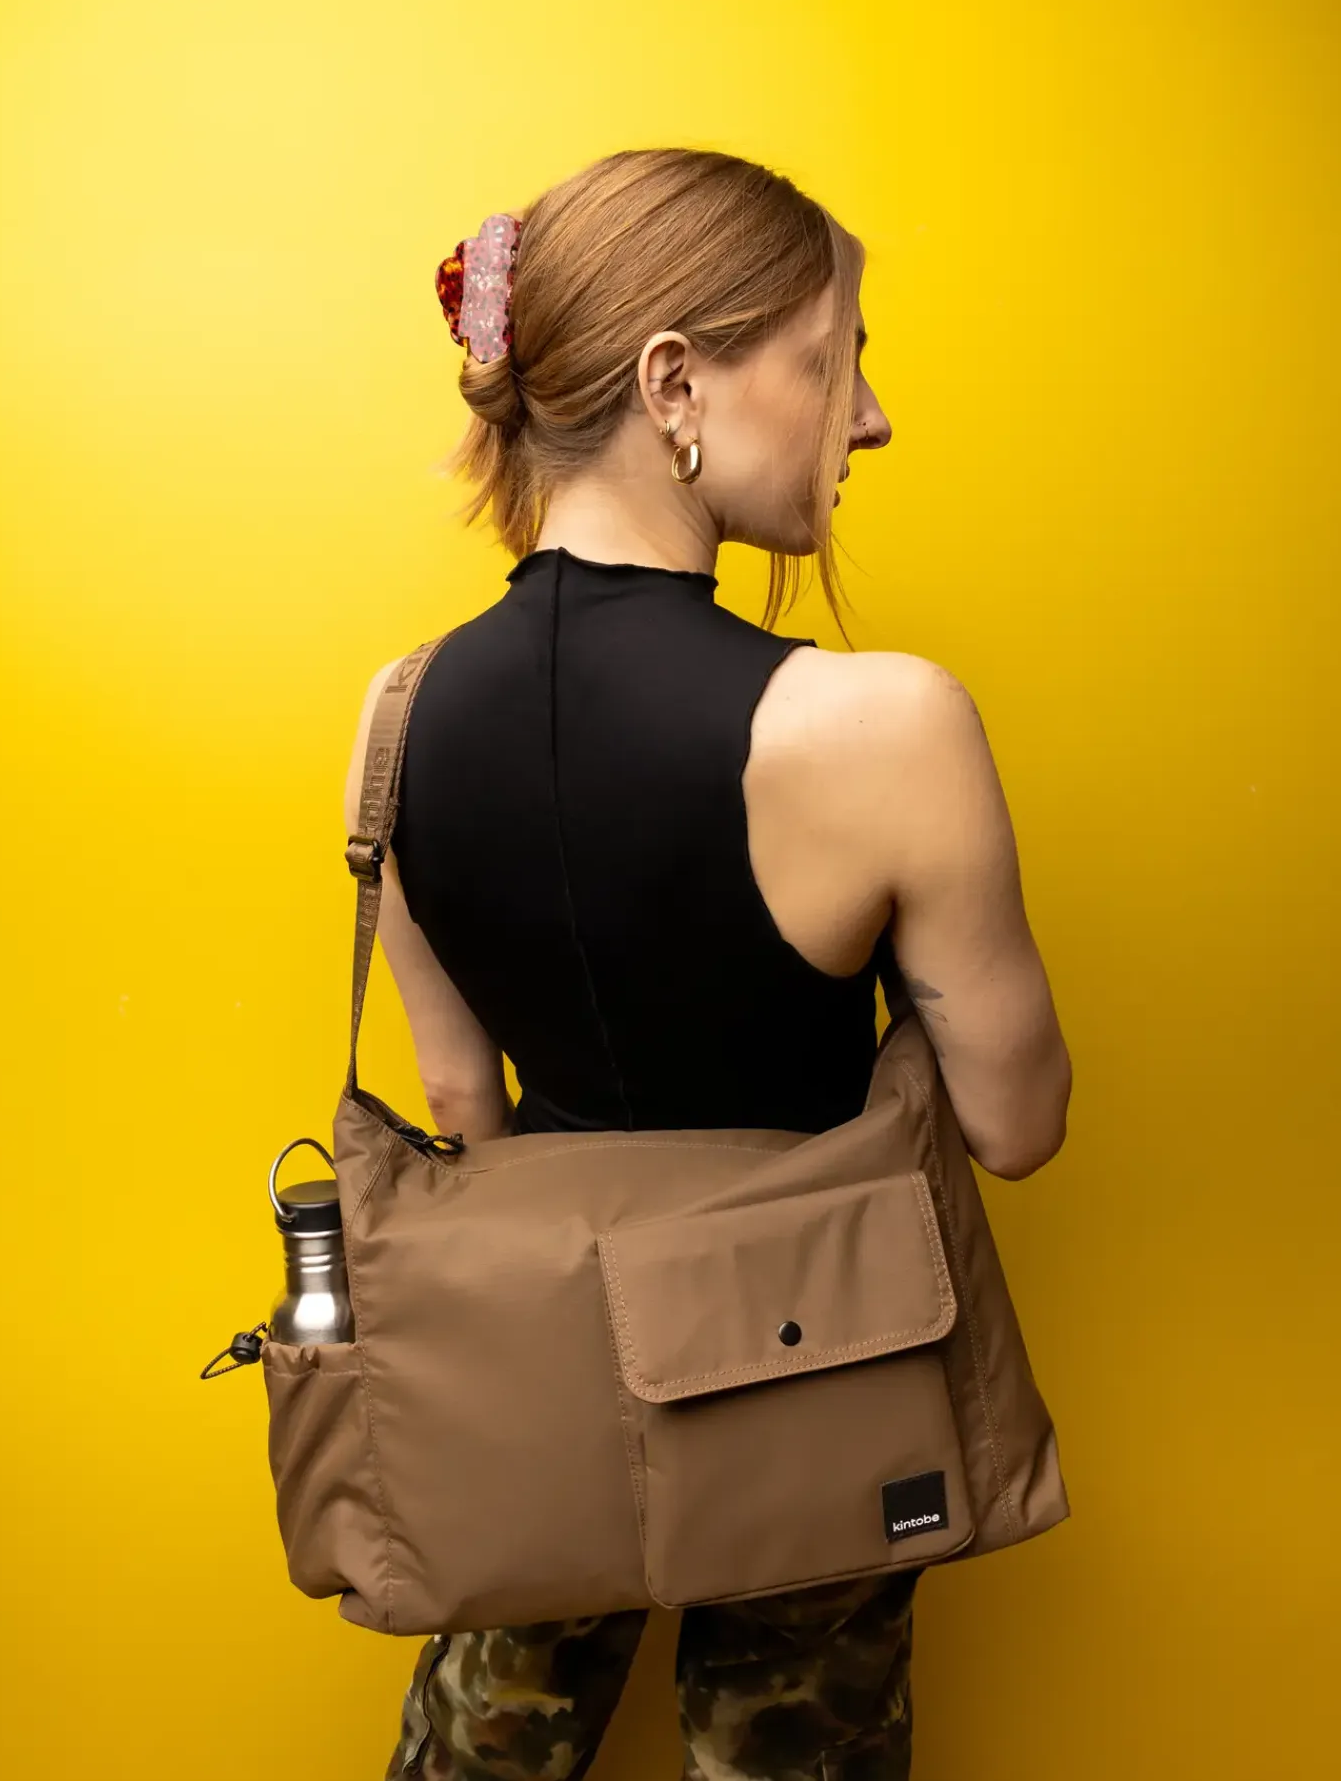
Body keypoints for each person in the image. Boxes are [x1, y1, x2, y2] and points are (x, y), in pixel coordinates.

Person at [342, 147, 1073, 1781]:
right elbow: (1019, 1126)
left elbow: (465, 1112)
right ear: (675, 383)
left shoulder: (395, 719)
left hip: (535, 1393)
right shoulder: (881, 725)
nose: (869, 416)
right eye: (837, 358)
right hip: (817, 1379)